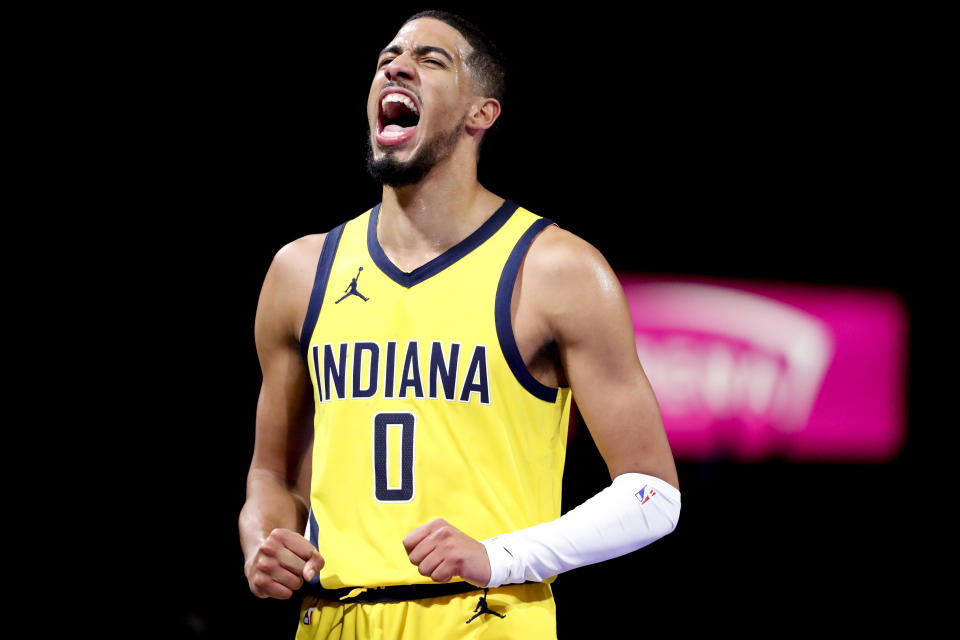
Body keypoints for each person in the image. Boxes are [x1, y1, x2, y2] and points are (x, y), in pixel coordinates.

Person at [239, 10, 680, 639]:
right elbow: (271, 476)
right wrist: (264, 540)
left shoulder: (556, 269)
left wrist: (500, 557)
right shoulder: (300, 271)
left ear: (481, 114)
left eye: (430, 59)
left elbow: (652, 495)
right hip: (332, 622)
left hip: (483, 617)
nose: (396, 65)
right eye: (388, 56)